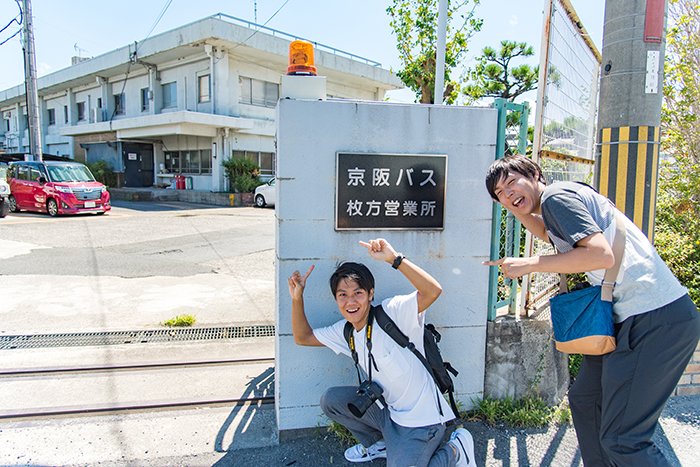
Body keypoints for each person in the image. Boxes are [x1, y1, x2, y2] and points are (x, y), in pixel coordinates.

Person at [483, 154, 700, 466]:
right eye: (499, 194)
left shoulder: (557, 198)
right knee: (587, 401)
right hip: (634, 318)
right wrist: (515, 206)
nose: (507, 194)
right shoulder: (557, 202)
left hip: (655, 319)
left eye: (512, 183)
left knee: (625, 440)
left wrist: (529, 264)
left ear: (533, 174)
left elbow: (600, 255)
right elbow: (550, 234)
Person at [288, 238, 476, 466]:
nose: (350, 302)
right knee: (332, 400)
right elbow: (303, 337)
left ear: (370, 294)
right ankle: (380, 445)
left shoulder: (392, 312)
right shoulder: (345, 331)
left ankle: (456, 450)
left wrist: (394, 259)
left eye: (357, 293)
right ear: (336, 299)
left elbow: (432, 291)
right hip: (388, 414)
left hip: (422, 422)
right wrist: (297, 298)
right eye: (343, 295)